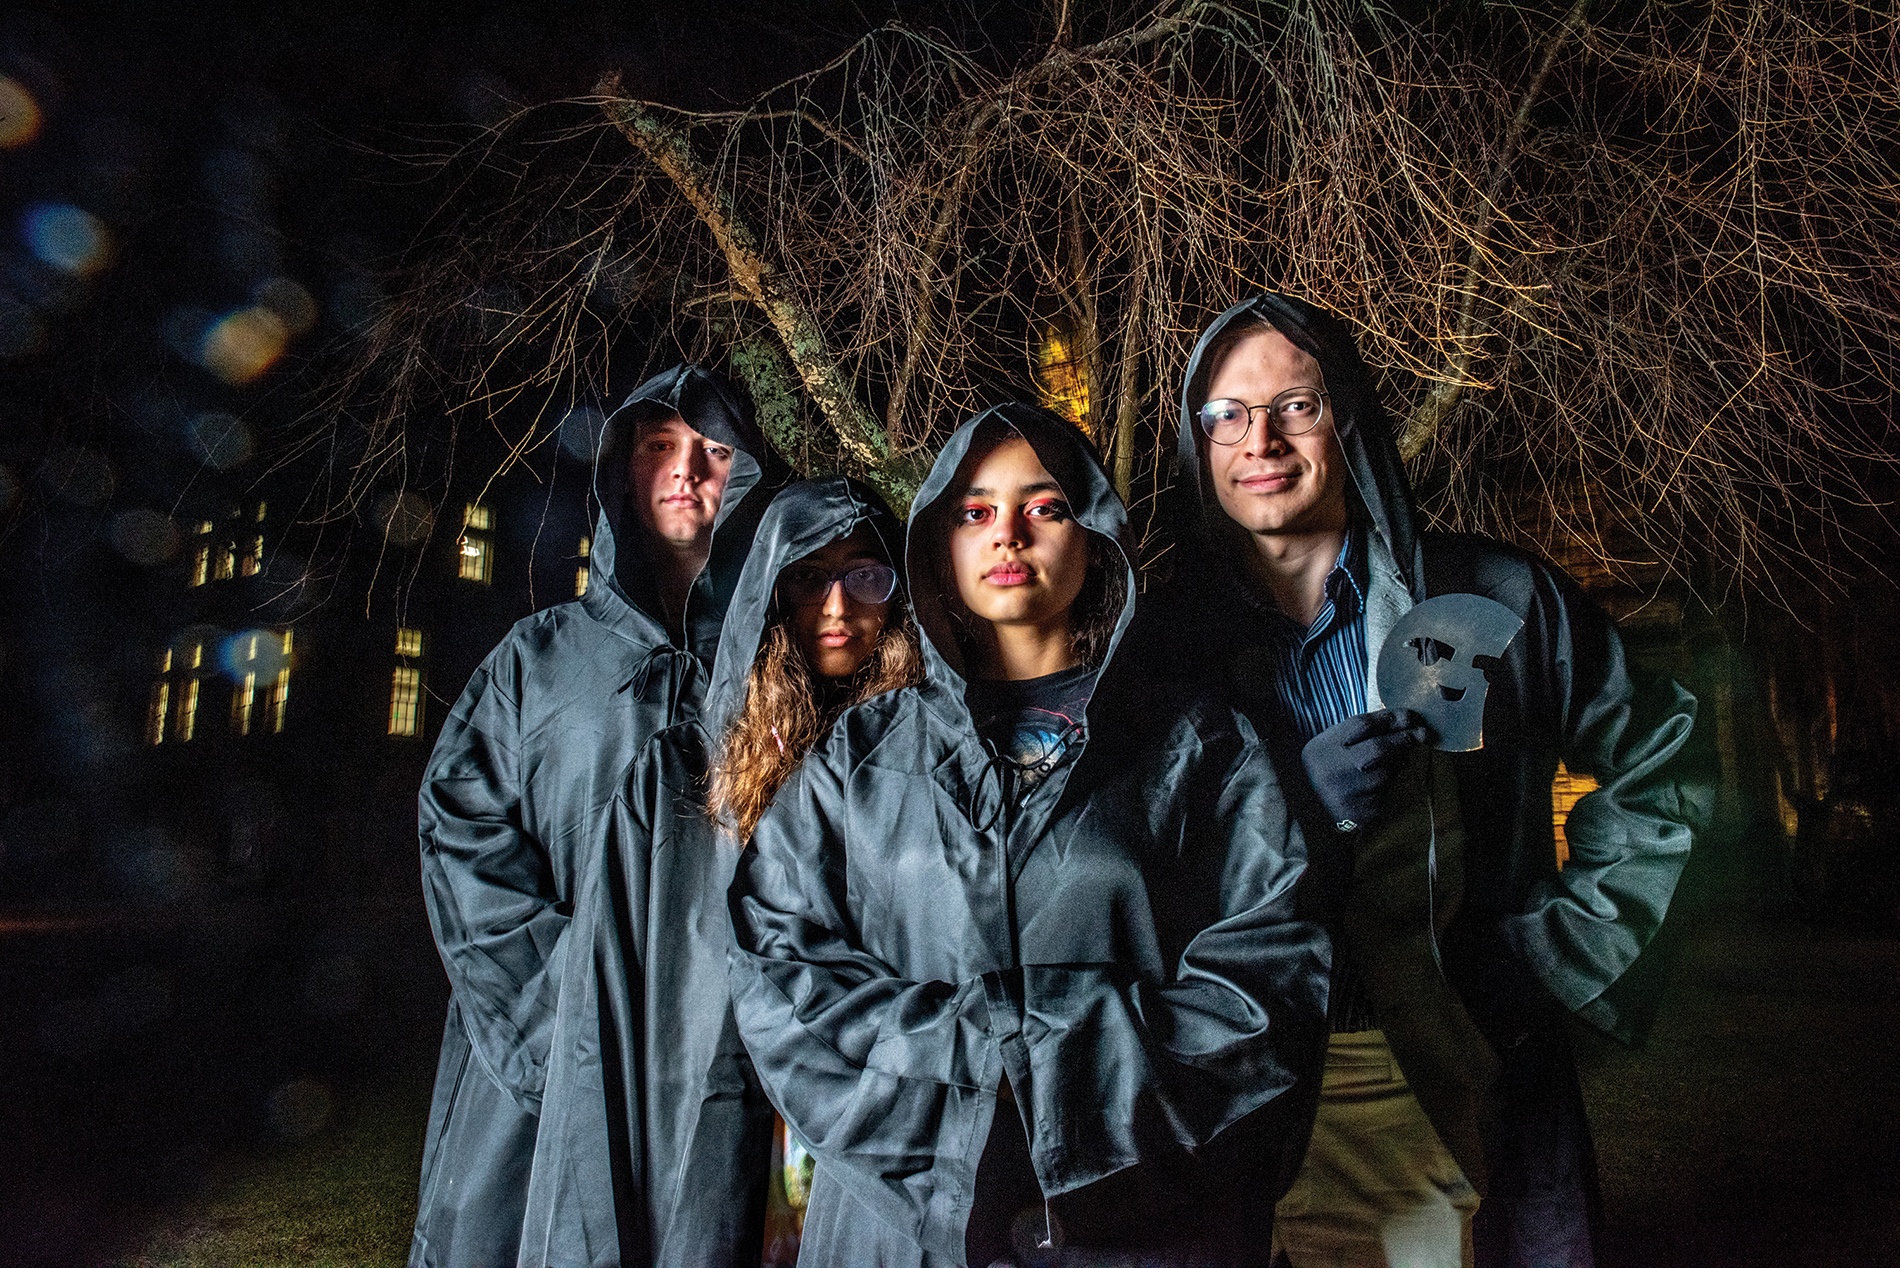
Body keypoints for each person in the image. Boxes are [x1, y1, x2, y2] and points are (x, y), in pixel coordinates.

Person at [1144, 292, 1707, 1267]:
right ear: (1197, 441)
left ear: (1347, 418)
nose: (1260, 439)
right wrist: (1286, 808)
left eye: (1296, 406)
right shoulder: (1160, 649)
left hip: (1452, 1074)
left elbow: (1662, 759)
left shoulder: (1490, 599)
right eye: (1225, 414)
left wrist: (1550, 956)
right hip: (1248, 1088)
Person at [729, 403, 1329, 1267]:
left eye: (1043, 508)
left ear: (1094, 536)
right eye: (977, 512)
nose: (1007, 536)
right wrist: (965, 1077)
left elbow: (1267, 983)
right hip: (904, 1231)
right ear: (940, 544)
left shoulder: (1200, 746)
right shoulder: (860, 758)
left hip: (1138, 1225)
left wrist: (1054, 1073)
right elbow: (777, 970)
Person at [409, 364, 784, 1268]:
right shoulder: (534, 661)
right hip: (538, 1077)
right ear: (622, 470)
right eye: (660, 446)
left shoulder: (780, 668)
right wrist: (561, 1024)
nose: (686, 470)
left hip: (715, 1070)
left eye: (713, 450)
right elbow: (462, 833)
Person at [515, 475, 922, 1266]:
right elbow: (610, 1003)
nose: (836, 609)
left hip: (866, 1140)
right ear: (769, 588)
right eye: (807, 577)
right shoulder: (681, 777)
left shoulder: (927, 772)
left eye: (866, 576)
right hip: (708, 1117)